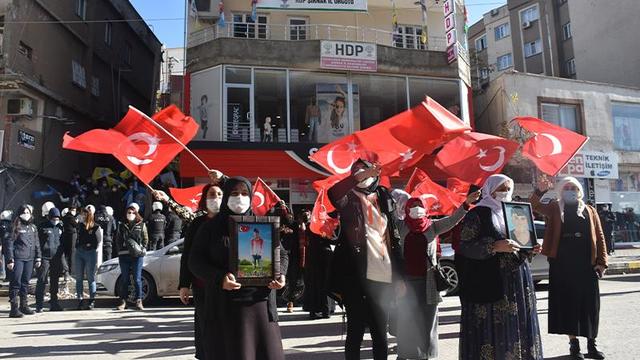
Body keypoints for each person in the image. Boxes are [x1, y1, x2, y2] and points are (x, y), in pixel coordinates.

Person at [189, 176, 289, 360]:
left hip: (260, 305)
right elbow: (195, 261)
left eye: (244, 193)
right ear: (226, 196)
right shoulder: (210, 228)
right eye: (234, 193)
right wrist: (220, 278)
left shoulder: (263, 224)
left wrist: (280, 273)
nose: (239, 198)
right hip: (225, 308)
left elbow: (281, 254)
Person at [457, 174, 543, 360]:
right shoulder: (478, 213)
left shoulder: (516, 212)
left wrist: (531, 249)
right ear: (490, 189)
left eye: (508, 189)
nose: (505, 193)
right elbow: (465, 246)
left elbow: (523, 244)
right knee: (492, 328)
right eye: (501, 189)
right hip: (489, 280)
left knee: (517, 326)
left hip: (518, 281)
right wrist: (494, 246)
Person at [327, 159, 403, 360]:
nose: (362, 175)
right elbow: (333, 193)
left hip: (383, 273)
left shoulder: (383, 196)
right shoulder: (348, 197)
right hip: (355, 276)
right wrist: (360, 175)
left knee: (380, 333)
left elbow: (394, 238)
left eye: (366, 171)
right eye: (357, 172)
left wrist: (400, 277)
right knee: (355, 331)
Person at [531, 176, 608, 360]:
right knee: (569, 304)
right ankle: (574, 346)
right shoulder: (555, 207)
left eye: (574, 187)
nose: (570, 191)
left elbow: (600, 236)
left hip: (586, 263)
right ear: (560, 190)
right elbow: (535, 206)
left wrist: (602, 262)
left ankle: (592, 345)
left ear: (579, 190)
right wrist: (539, 190)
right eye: (567, 187)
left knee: (590, 305)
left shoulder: (589, 210)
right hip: (562, 263)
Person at [396, 192, 478, 360]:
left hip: (429, 281)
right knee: (406, 320)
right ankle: (405, 354)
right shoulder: (400, 225)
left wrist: (466, 204)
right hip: (407, 282)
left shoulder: (432, 226)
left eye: (419, 206)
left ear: (425, 209)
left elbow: (453, 220)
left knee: (428, 320)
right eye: (412, 206)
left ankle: (426, 355)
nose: (416, 209)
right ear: (406, 209)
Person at [6, 205, 41, 317]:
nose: (26, 214)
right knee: (16, 282)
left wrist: (38, 257)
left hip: (29, 258)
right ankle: (14, 308)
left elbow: (37, 243)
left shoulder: (33, 227)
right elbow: (9, 244)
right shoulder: (15, 226)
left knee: (25, 282)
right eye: (24, 212)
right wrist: (10, 259)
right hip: (18, 258)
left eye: (28, 212)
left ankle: (24, 305)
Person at [302, 208, 336, 319]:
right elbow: (334, 239)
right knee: (323, 283)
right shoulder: (322, 225)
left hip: (315, 256)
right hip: (322, 256)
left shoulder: (311, 225)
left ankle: (316, 310)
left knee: (315, 283)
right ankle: (325, 310)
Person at [115, 203, 148, 311]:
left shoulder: (141, 224)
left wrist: (142, 248)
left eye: (132, 212)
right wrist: (120, 250)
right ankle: (123, 301)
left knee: (137, 279)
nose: (130, 214)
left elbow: (145, 239)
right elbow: (118, 239)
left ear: (136, 213)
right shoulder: (121, 225)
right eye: (128, 212)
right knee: (125, 279)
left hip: (137, 256)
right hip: (124, 255)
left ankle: (139, 301)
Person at [35, 208, 65, 312]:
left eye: (57, 218)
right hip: (45, 257)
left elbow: (63, 242)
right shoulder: (42, 226)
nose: (55, 220)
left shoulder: (61, 227)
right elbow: (37, 242)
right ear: (49, 217)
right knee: (42, 280)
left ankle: (54, 303)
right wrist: (38, 256)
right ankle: (39, 305)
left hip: (56, 257)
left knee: (55, 281)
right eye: (53, 218)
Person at [75, 206, 102, 310]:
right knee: (79, 277)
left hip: (90, 252)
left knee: (90, 277)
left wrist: (92, 248)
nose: (83, 215)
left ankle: (92, 300)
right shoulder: (79, 226)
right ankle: (80, 300)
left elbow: (98, 241)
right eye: (83, 213)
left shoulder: (95, 227)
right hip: (79, 252)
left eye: (85, 213)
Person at [62, 206, 79, 282]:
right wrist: (77, 221)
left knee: (67, 254)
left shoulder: (65, 217)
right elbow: (75, 225)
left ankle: (66, 271)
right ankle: (70, 272)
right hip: (72, 236)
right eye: (73, 210)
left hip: (66, 236)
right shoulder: (71, 217)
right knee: (71, 253)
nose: (74, 211)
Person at [0, 210, 12, 281]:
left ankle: (7, 276)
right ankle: (9, 276)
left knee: (7, 261)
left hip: (5, 245)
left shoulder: (2, 225)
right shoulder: (11, 224)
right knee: (9, 261)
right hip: (10, 246)